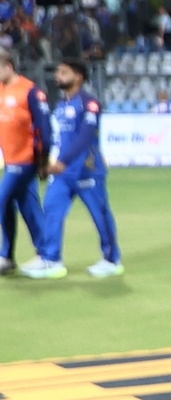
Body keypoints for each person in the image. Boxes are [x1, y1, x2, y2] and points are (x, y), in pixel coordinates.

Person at [24, 59, 122, 279]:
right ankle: (51, 259)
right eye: (58, 72)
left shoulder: (89, 104)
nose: (58, 76)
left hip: (87, 171)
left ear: (78, 77)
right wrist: (46, 161)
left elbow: (85, 138)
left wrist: (63, 161)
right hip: (62, 173)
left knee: (100, 214)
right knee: (51, 209)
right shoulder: (60, 106)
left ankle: (111, 259)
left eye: (63, 72)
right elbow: (59, 139)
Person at [0, 49, 48, 275]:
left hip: (26, 159)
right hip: (10, 160)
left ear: (8, 65)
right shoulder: (1, 90)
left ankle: (6, 255)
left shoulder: (29, 91)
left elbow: (44, 128)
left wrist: (43, 160)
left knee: (2, 200)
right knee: (26, 205)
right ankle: (45, 252)